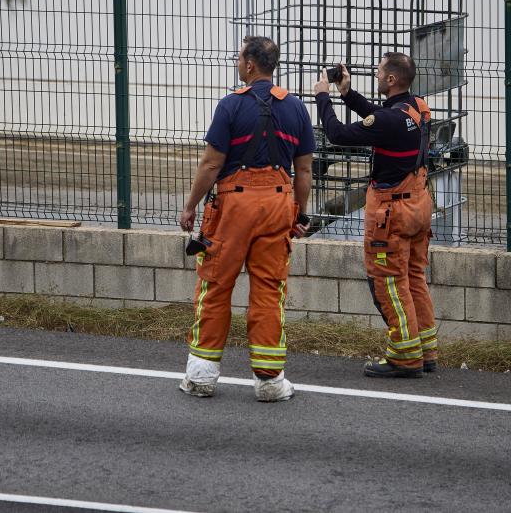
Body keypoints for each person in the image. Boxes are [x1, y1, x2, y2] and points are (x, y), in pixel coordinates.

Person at [178, 35, 314, 402]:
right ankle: (270, 382)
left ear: (250, 64)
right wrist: (300, 214)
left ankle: (202, 377)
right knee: (270, 290)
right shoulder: (297, 108)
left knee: (216, 286)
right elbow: (303, 171)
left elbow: (211, 164)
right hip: (277, 204)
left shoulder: (230, 106)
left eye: (240, 58)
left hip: (234, 207)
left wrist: (190, 206)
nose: (238, 63)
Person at [313, 53, 438, 378]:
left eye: (380, 71)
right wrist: (348, 94)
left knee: (388, 283)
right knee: (413, 279)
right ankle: (425, 350)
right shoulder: (418, 108)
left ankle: (404, 356)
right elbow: (382, 120)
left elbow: (338, 135)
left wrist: (323, 96)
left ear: (392, 80)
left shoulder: (389, 120)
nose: (377, 73)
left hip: (392, 213)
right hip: (419, 205)